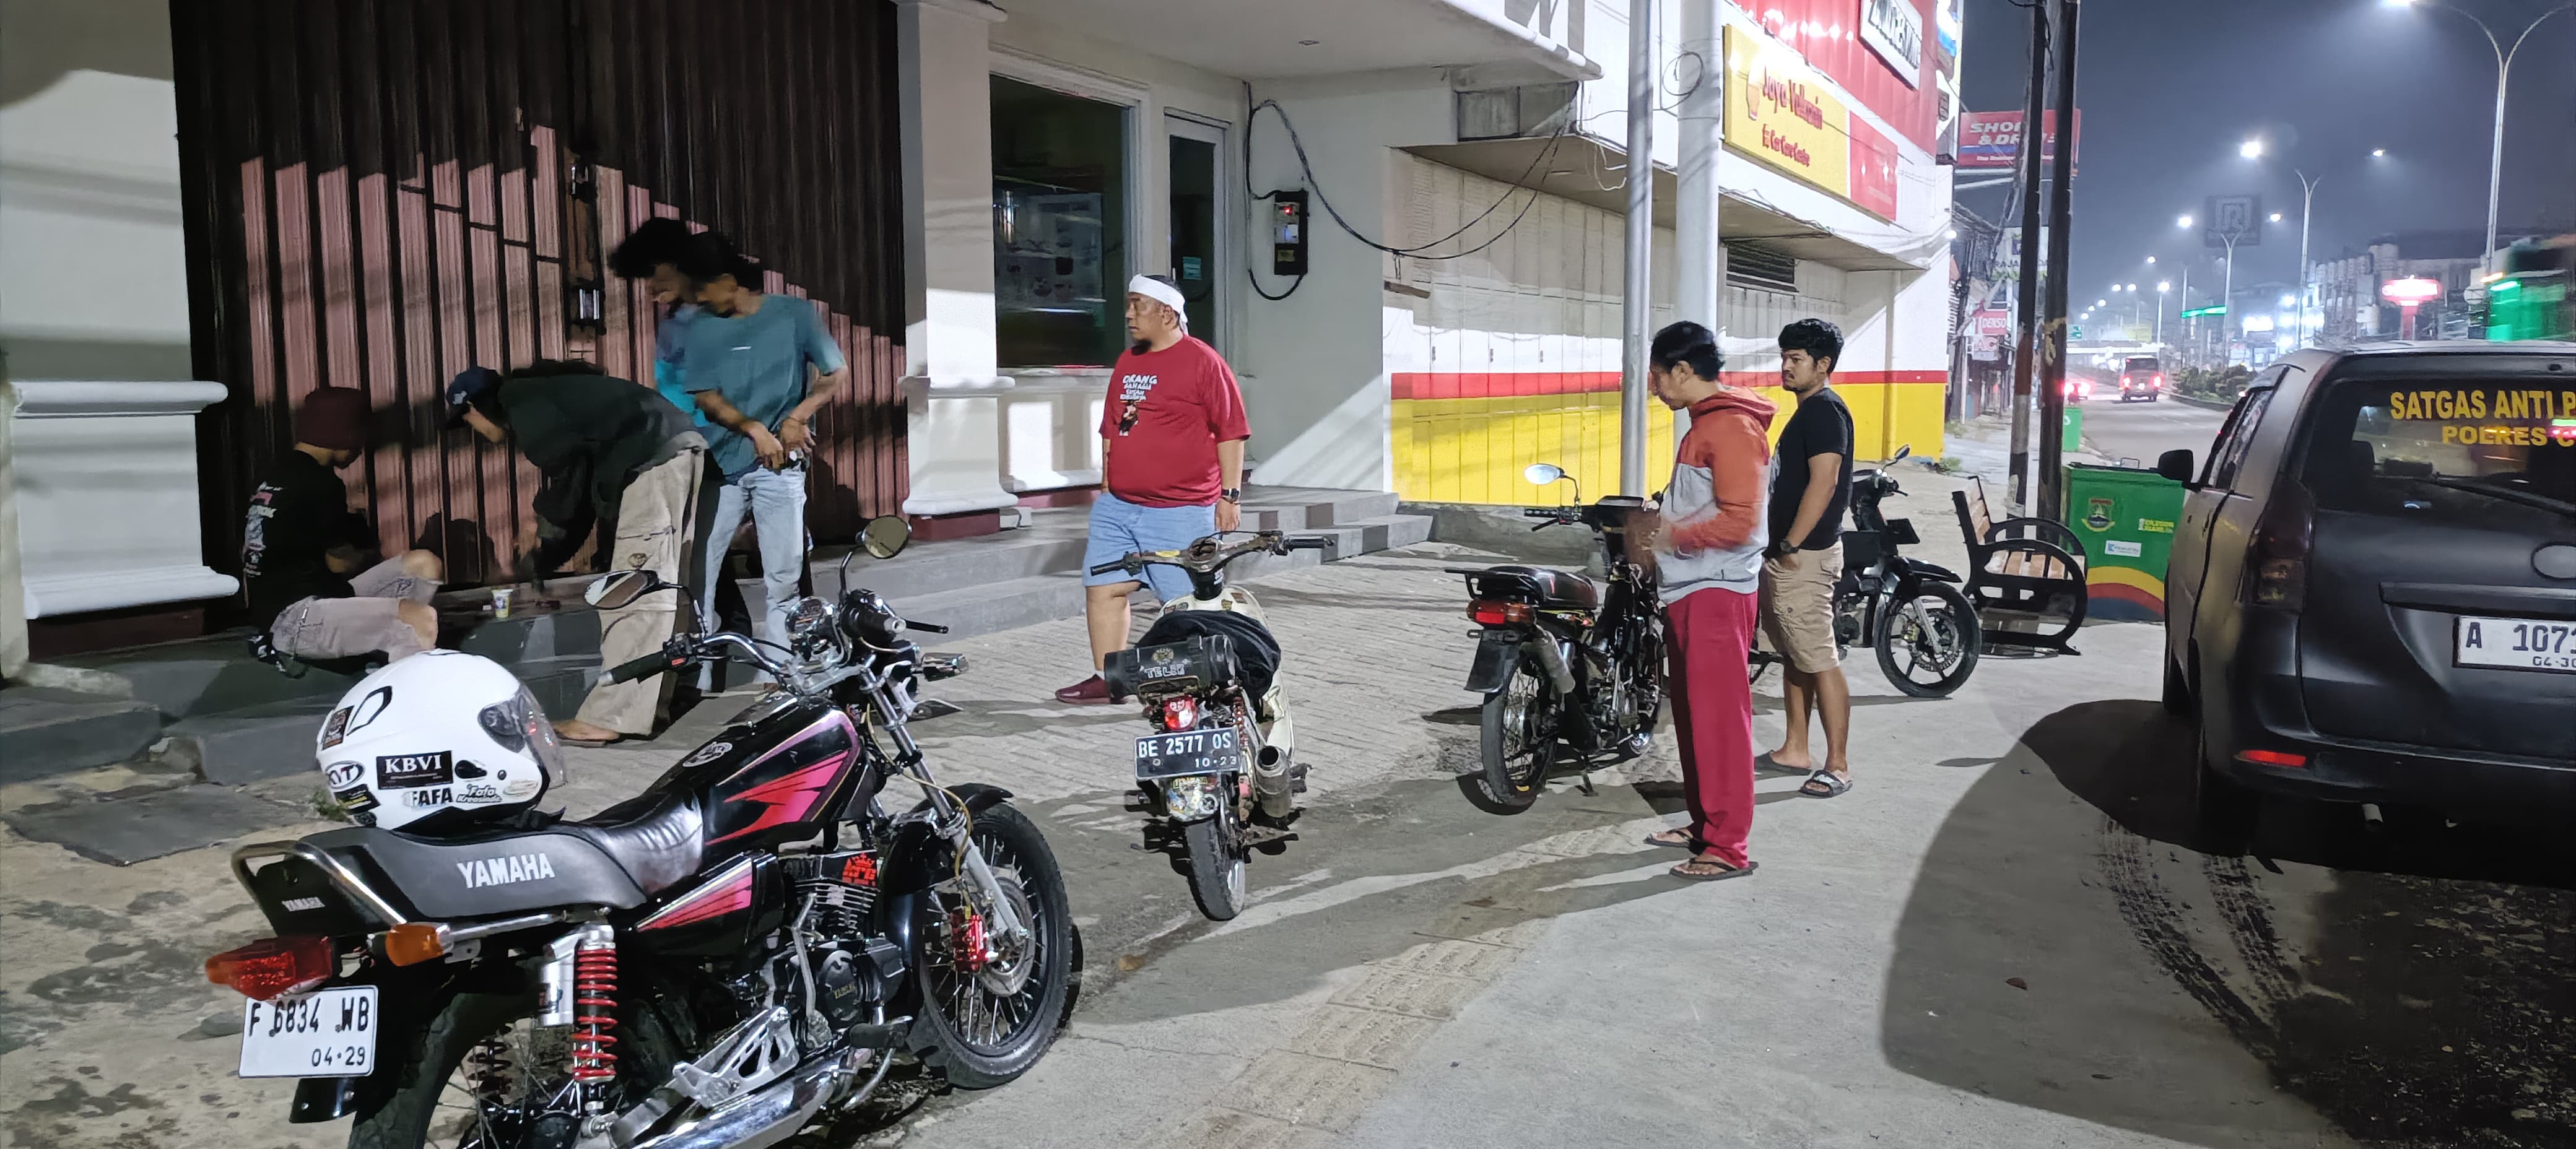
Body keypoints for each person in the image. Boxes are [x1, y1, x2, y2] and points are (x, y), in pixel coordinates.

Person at [450, 361, 707, 745]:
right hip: (677, 451)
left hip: (652, 462)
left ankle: (611, 717)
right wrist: (547, 555)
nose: (476, 433)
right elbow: (581, 490)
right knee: (667, 587)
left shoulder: (521, 402)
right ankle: (658, 702)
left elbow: (570, 482)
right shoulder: (546, 397)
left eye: (467, 421)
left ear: (473, 405)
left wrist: (543, 539)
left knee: (634, 592)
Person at [1055, 274, 1251, 705]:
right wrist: (1108, 484)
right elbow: (1113, 425)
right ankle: (1109, 679)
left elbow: (1231, 432)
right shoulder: (1128, 361)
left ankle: (1205, 684)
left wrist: (1230, 497)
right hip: (1120, 507)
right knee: (1104, 589)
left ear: (1167, 313)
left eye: (1138, 305)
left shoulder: (1203, 362)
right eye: (1128, 304)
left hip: (1182, 510)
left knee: (1186, 603)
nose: (1129, 314)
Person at [1637, 320, 1775, 882]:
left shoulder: (1732, 427)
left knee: (1719, 724)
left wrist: (1671, 536)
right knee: (1697, 719)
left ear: (1682, 370)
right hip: (1694, 588)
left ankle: (1727, 847)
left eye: (1657, 376)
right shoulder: (1707, 423)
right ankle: (1706, 827)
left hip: (1715, 591)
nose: (1654, 388)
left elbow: (1742, 521)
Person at [675, 233, 845, 656]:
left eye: (702, 289)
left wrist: (796, 418)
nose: (697, 299)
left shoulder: (795, 314)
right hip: (721, 466)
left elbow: (834, 374)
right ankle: (698, 673)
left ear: (728, 281)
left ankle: (784, 669)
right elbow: (706, 397)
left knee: (784, 579)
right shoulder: (701, 327)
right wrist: (754, 428)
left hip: (781, 468)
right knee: (700, 575)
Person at [242, 387, 445, 664]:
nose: (361, 449)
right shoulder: (321, 483)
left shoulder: (273, 472)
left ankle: (391, 651)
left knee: (423, 564)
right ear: (344, 435)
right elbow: (339, 564)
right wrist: (366, 553)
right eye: (361, 438)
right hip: (297, 621)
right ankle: (404, 681)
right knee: (417, 619)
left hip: (297, 605)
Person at [1762, 318, 1857, 798]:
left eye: (1796, 359)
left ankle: (1837, 766)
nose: (1786, 366)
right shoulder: (1809, 410)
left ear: (1823, 365)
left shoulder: (1823, 412)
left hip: (1806, 557)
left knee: (1819, 658)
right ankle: (1795, 748)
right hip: (1796, 554)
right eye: (1784, 357)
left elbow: (1825, 481)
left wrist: (1791, 545)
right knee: (1797, 654)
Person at [606, 217, 713, 429]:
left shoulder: (717, 317)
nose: (650, 287)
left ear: (674, 263)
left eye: (652, 274)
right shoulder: (673, 323)